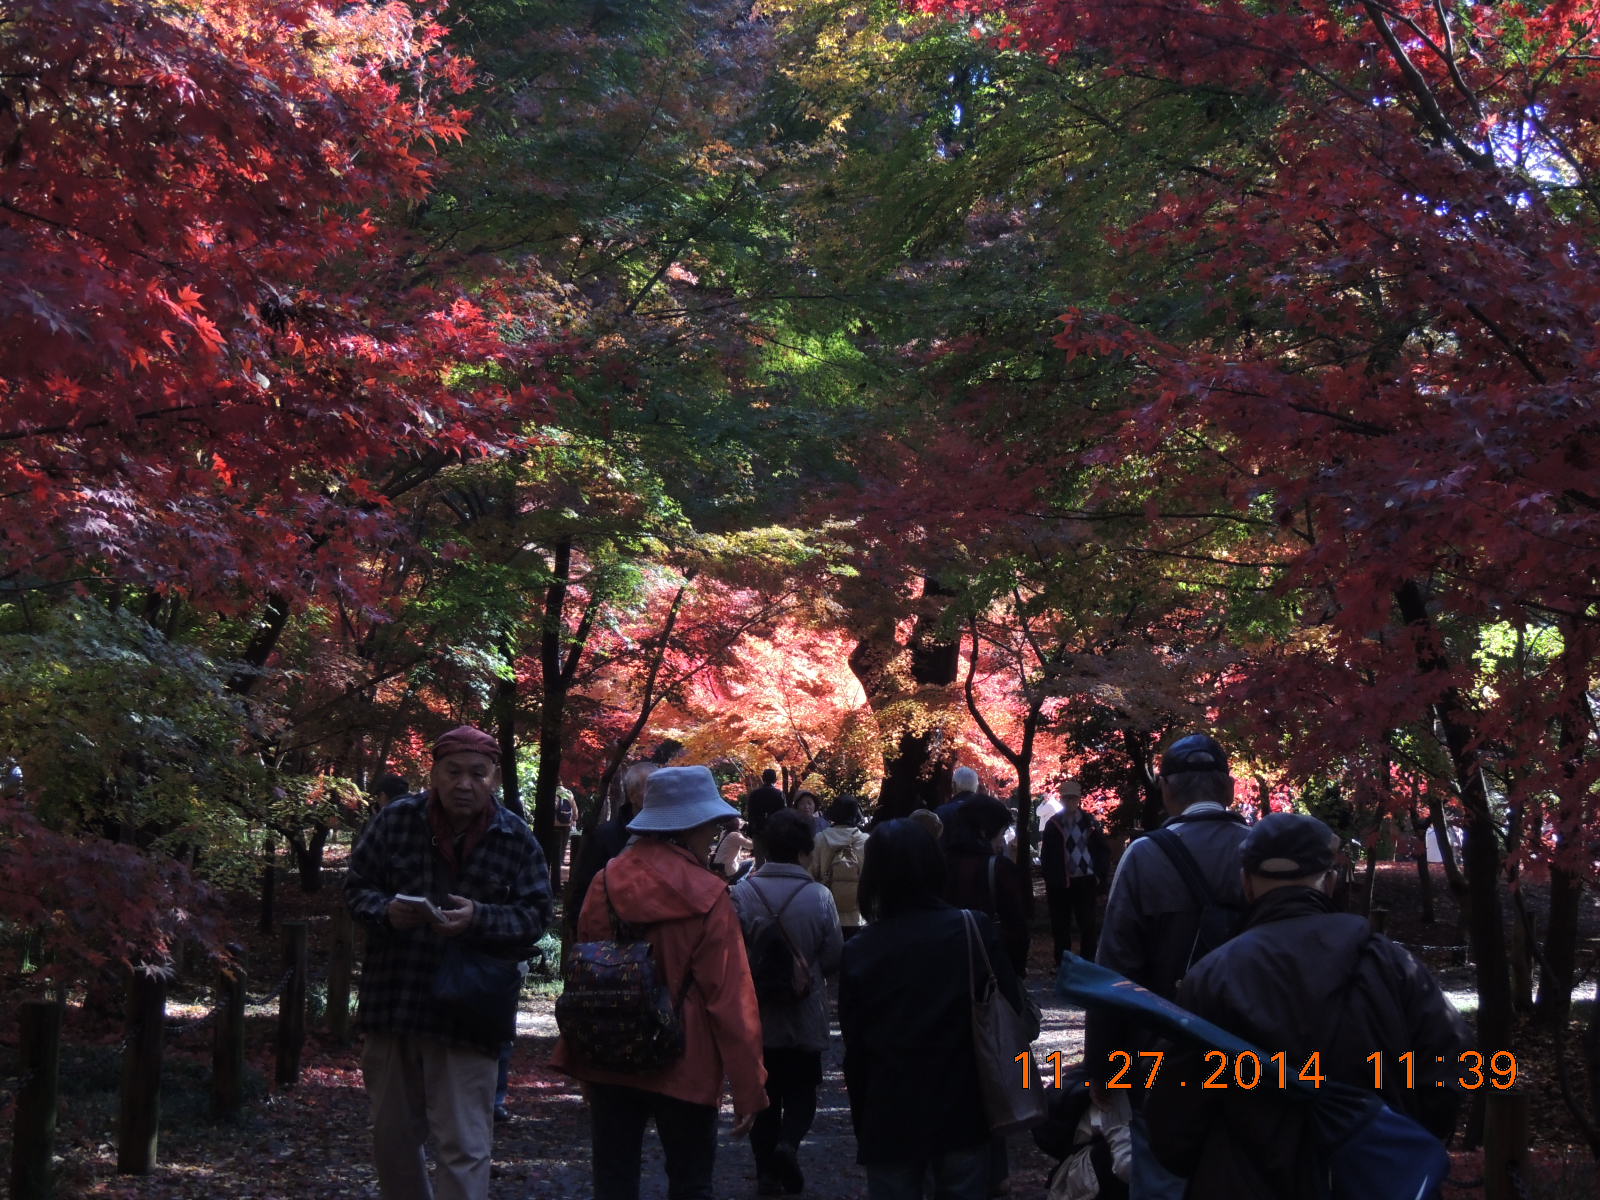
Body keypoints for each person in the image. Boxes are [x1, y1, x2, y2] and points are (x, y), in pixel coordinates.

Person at [1144, 813, 1471, 1198]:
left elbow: (1173, 1119)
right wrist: (1397, 1138)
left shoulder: (1212, 976)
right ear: (1330, 882)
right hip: (1371, 1182)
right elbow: (1450, 1065)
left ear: (1246, 884)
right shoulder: (1390, 963)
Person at [344, 725, 553, 1200]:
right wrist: (387, 913)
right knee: (392, 1138)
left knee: (464, 1144)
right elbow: (356, 890)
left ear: (495, 779)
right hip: (394, 1001)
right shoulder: (395, 822)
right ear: (434, 773)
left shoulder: (515, 838)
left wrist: (479, 918)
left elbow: (537, 915)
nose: (464, 784)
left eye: (477, 774)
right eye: (453, 771)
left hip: (470, 1011)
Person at [552, 765, 768, 1200]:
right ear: (693, 826)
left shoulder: (604, 882)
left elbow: (586, 973)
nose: (713, 835)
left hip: (611, 1050)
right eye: (710, 827)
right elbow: (730, 999)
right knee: (690, 1184)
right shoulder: (709, 896)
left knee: (613, 1183)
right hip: (686, 1060)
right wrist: (749, 1086)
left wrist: (581, 1057)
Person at [1088, 732, 1249, 1200]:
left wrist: (1103, 1065)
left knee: (1160, 1174)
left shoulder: (1144, 856)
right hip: (1254, 1053)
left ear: (1166, 790)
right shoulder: (1260, 851)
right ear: (1230, 788)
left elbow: (1115, 968)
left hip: (1160, 1055)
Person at [840, 818, 1025, 1200]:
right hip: (964, 1106)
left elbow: (855, 1049)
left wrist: (863, 1120)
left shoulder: (859, 951)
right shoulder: (970, 929)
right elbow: (1015, 1005)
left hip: (890, 1112)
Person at [731, 808, 844, 1195]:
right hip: (803, 1008)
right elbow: (833, 956)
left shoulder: (742, 893)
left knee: (762, 1092)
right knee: (801, 1089)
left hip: (754, 1009)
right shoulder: (819, 896)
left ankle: (765, 1172)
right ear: (805, 849)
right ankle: (789, 1144)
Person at [940, 794, 1030, 1197]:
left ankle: (952, 1162)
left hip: (944, 985)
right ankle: (996, 1170)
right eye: (999, 833)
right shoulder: (999, 870)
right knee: (995, 1072)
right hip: (992, 982)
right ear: (984, 831)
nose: (1002, 840)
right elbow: (1019, 929)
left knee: (954, 1072)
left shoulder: (938, 867)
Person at [565, 760, 658, 938]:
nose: (659, 794)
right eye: (651, 788)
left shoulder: (671, 834)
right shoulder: (605, 836)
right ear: (632, 795)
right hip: (613, 941)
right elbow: (584, 889)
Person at [1041, 781, 1110, 965]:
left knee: (1087, 925)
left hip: (1085, 880)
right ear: (1062, 799)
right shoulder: (1053, 824)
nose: (1070, 801)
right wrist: (1051, 879)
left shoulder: (1089, 822)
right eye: (1066, 797)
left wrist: (1099, 877)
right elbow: (1046, 856)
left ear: (1079, 799)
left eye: (1073, 797)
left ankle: (1089, 964)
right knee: (1060, 927)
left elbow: (1103, 850)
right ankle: (1063, 965)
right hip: (1060, 883)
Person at [812, 796, 870, 938]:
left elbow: (811, 873)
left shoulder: (820, 839)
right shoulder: (866, 841)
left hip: (827, 911)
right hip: (859, 915)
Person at [746, 768, 786, 861]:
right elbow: (783, 813)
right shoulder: (779, 794)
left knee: (759, 860)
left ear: (763, 778)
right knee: (772, 859)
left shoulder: (754, 794)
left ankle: (760, 875)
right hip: (774, 830)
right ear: (775, 780)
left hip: (757, 829)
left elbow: (750, 813)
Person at [552, 785, 576, 891]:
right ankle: (560, 865)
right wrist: (574, 819)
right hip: (566, 824)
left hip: (554, 825)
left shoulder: (552, 793)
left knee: (554, 848)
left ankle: (554, 874)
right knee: (562, 848)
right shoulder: (569, 793)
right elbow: (575, 810)